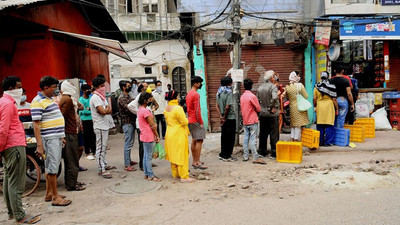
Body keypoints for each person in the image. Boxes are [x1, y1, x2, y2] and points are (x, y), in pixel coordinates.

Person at [0, 76, 41, 224]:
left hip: (9, 145)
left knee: (9, 179)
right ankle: (20, 215)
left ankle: (13, 212)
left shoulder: (4, 102)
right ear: (11, 88)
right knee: (16, 182)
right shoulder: (8, 105)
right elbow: (3, 130)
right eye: (19, 87)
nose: (21, 91)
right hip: (13, 146)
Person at [31, 76, 71, 206]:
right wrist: (40, 145)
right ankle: (55, 197)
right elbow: (36, 124)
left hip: (55, 136)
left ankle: (49, 193)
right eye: (54, 88)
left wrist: (61, 136)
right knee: (53, 168)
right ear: (46, 88)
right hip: (49, 138)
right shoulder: (37, 101)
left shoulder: (49, 100)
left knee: (51, 167)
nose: (56, 90)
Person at [59, 80, 85, 191]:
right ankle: (71, 184)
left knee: (71, 159)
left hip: (71, 131)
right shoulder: (68, 99)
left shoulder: (68, 99)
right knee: (72, 159)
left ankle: (72, 182)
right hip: (69, 132)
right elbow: (62, 117)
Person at [164, 90, 195, 183]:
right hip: (178, 133)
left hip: (169, 133)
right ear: (176, 97)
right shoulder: (178, 108)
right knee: (182, 154)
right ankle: (184, 176)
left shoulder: (166, 108)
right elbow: (185, 122)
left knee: (173, 154)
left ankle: (176, 174)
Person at [90, 76, 115, 179]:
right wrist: (107, 110)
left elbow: (109, 110)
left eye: (104, 85)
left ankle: (104, 164)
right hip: (99, 125)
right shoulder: (95, 97)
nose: (103, 88)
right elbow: (103, 111)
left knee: (104, 147)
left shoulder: (102, 97)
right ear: (96, 87)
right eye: (101, 86)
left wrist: (107, 110)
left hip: (104, 125)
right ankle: (101, 169)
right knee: (100, 148)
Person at [240, 78, 266, 164]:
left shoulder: (242, 96)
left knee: (246, 138)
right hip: (252, 120)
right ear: (251, 86)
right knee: (253, 139)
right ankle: (255, 157)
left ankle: (245, 156)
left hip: (245, 120)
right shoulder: (252, 96)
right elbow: (258, 109)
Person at [138, 93, 161, 182]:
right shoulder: (145, 111)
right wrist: (157, 135)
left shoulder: (140, 109)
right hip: (148, 135)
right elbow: (152, 125)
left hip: (144, 134)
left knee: (145, 155)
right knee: (148, 156)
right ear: (145, 100)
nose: (150, 101)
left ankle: (146, 174)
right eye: (149, 99)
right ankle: (151, 175)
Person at [257, 70, 280, 158]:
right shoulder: (273, 87)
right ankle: (274, 152)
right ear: (271, 78)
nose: (275, 77)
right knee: (274, 133)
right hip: (272, 114)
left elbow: (257, 99)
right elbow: (274, 97)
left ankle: (262, 151)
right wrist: (271, 107)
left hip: (262, 113)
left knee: (263, 132)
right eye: (274, 76)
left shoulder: (260, 87)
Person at [186, 76, 207, 170]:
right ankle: (197, 162)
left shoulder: (189, 93)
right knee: (199, 140)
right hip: (195, 119)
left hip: (190, 119)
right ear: (195, 83)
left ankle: (195, 161)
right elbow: (197, 110)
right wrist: (201, 121)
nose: (200, 84)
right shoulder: (196, 94)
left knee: (194, 139)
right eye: (199, 83)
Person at [314, 71, 338, 147]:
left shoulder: (316, 87)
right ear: (328, 77)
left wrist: (315, 106)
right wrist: (337, 108)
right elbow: (334, 99)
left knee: (320, 125)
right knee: (329, 124)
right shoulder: (332, 87)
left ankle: (320, 142)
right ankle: (328, 142)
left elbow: (314, 99)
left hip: (320, 107)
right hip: (329, 107)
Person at [215, 76, 237, 162]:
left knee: (224, 136)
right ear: (229, 83)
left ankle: (222, 154)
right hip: (230, 118)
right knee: (230, 137)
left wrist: (221, 116)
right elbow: (228, 106)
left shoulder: (219, 91)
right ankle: (227, 156)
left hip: (222, 118)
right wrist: (224, 117)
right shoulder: (229, 92)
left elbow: (216, 105)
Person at [118, 80, 137, 172]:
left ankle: (129, 160)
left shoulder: (128, 96)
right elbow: (129, 108)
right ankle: (127, 164)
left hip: (131, 122)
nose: (130, 87)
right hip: (127, 122)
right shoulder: (122, 98)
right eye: (128, 86)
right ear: (123, 87)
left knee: (130, 142)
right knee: (128, 143)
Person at [285, 71, 309, 141]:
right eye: (298, 76)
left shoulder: (287, 86)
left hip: (292, 106)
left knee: (293, 123)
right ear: (295, 77)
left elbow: (287, 96)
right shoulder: (300, 85)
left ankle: (292, 138)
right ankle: (296, 139)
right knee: (298, 124)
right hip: (299, 107)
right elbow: (306, 96)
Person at [79, 84, 96, 160]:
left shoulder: (91, 98)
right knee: (86, 136)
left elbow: (93, 108)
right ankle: (87, 152)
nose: (89, 91)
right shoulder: (81, 100)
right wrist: (89, 110)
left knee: (93, 136)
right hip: (85, 120)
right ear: (83, 91)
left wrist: (89, 110)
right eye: (87, 89)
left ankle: (94, 151)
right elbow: (83, 111)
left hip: (92, 119)